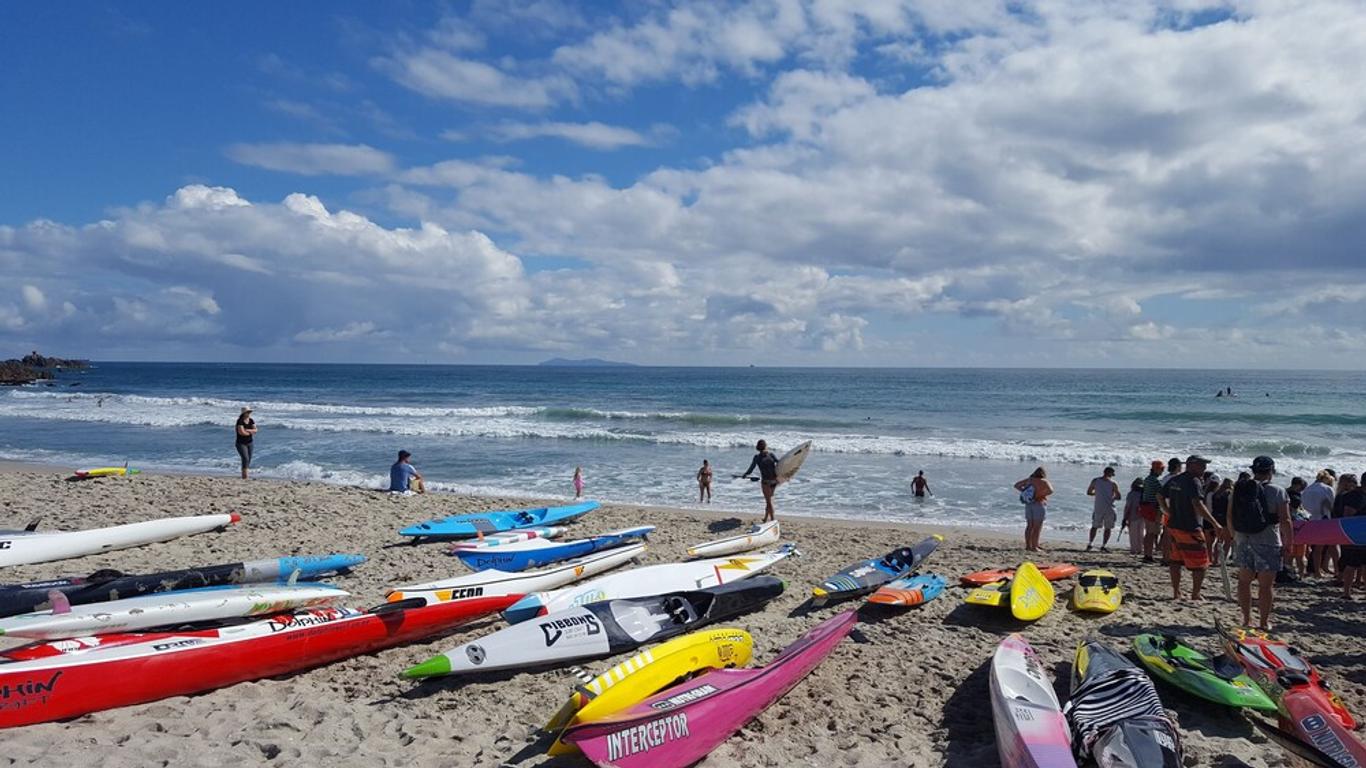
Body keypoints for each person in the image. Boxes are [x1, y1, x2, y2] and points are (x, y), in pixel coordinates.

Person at [1230, 456, 1292, 629]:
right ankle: (1264, 622)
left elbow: (1230, 515)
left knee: (1244, 581)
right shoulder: (1278, 490)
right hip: (1268, 540)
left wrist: (1235, 536)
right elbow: (1285, 519)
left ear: (1253, 470)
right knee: (1266, 585)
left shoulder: (1239, 489)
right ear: (1271, 470)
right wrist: (1289, 542)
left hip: (1243, 538)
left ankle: (1246, 619)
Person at [1158, 455, 1227, 601]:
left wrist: (1167, 511)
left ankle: (1176, 592)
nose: (1204, 468)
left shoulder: (1175, 479)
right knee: (1201, 563)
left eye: (1204, 465)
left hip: (1173, 525)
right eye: (1201, 465)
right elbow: (1198, 504)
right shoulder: (1193, 481)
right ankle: (1195, 594)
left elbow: (1159, 495)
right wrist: (1215, 523)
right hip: (1189, 527)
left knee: (1175, 561)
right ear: (1191, 465)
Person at [1303, 470, 1337, 577]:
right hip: (1326, 519)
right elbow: (1332, 506)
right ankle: (1337, 570)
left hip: (1313, 519)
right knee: (1333, 547)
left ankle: (1317, 571)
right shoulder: (1327, 489)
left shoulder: (1307, 489)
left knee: (1317, 548)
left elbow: (1305, 506)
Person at [1338, 474, 1366, 599]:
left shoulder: (1357, 495)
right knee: (1352, 564)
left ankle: (1348, 591)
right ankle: (1346, 593)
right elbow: (1348, 515)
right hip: (1355, 536)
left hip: (1358, 534)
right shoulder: (1356, 496)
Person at [1013, 467, 1053, 552]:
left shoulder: (1029, 480)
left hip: (1029, 504)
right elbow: (1051, 490)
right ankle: (1034, 546)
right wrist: (1039, 494)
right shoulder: (1044, 481)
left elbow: (1016, 485)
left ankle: (1028, 545)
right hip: (1039, 503)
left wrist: (1025, 491)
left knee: (1029, 526)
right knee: (1037, 527)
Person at [741, 439, 779, 522]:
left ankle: (772, 519)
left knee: (769, 501)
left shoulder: (757, 457)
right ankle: (765, 518)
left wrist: (745, 475)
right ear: (766, 446)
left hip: (766, 481)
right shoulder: (771, 455)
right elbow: (780, 464)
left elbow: (751, 469)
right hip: (774, 481)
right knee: (769, 499)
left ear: (757, 447)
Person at [1086, 466, 1121, 552]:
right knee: (1108, 528)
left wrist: (1097, 494)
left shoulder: (1095, 481)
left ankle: (1090, 543)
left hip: (1098, 507)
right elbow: (1119, 496)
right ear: (1111, 474)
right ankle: (1103, 545)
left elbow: (1089, 492)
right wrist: (1111, 497)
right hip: (1109, 507)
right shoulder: (1113, 483)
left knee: (1094, 526)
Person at [1140, 461, 1165, 562]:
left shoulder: (1147, 479)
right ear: (1156, 469)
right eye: (1161, 469)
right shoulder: (1155, 480)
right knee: (1152, 532)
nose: (1163, 471)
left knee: (1148, 532)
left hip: (1146, 507)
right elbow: (1161, 493)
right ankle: (1148, 555)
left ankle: (1147, 554)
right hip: (1153, 507)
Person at [1209, 476, 1235, 567]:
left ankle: (1215, 559)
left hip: (1216, 518)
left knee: (1219, 541)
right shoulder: (1229, 494)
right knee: (1227, 541)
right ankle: (1222, 560)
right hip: (1225, 519)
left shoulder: (1216, 493)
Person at [1122, 477, 1145, 554]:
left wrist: (1125, 517)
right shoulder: (1144, 494)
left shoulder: (1131, 494)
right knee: (1141, 533)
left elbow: (1128, 506)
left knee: (1133, 534)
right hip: (1143, 515)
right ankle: (1139, 549)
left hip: (1133, 516)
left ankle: (1133, 549)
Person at [234, 407, 257, 480]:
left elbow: (256, 430)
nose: (249, 413)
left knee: (248, 459)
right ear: (244, 413)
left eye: (250, 412)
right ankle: (245, 477)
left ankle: (245, 474)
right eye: (248, 412)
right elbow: (242, 432)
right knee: (245, 458)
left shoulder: (251, 420)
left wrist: (248, 430)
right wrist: (251, 432)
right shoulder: (240, 421)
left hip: (250, 442)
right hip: (241, 443)